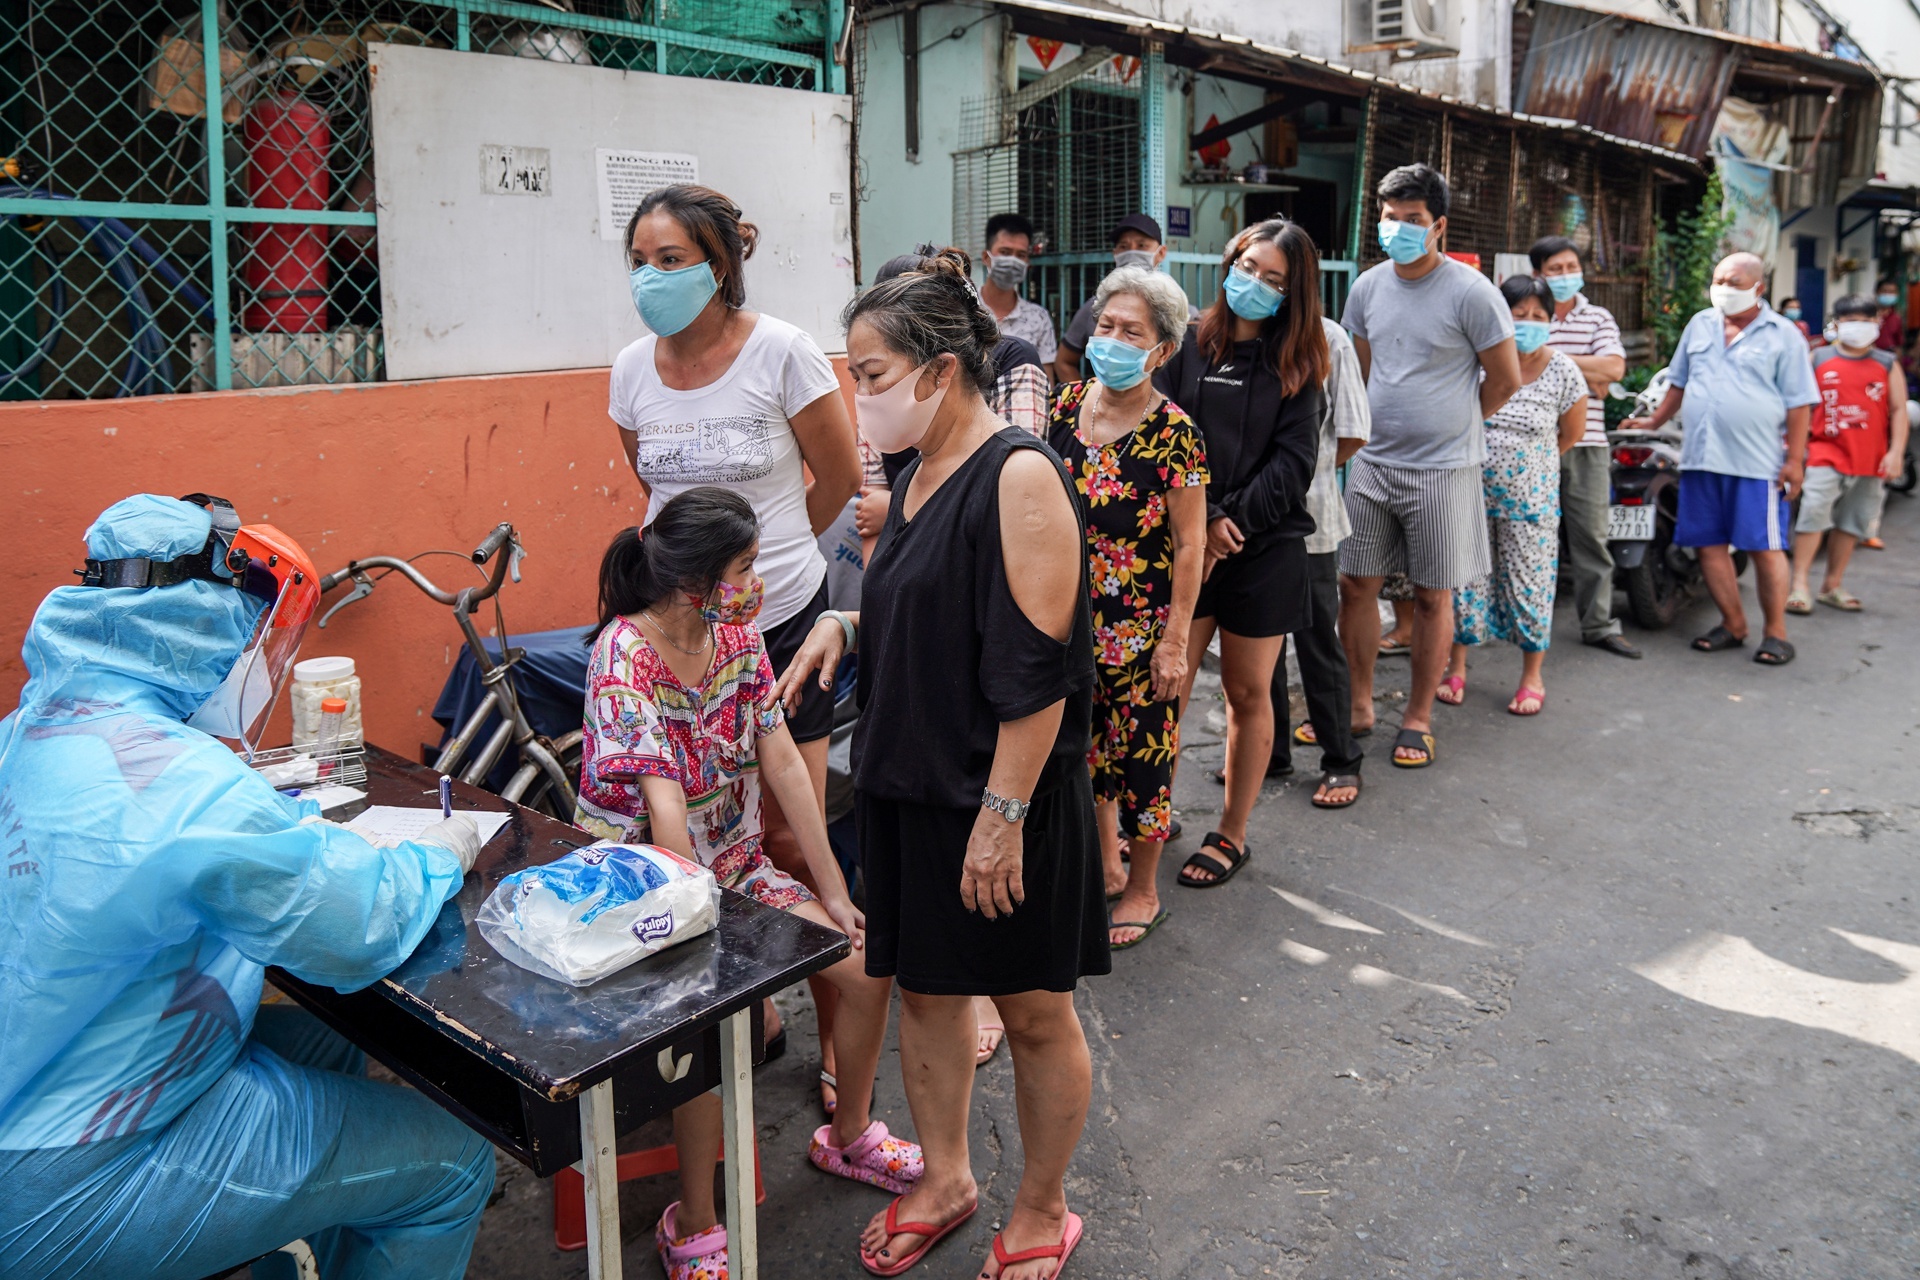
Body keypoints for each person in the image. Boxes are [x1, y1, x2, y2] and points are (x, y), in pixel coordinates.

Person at [0, 494, 493, 1280]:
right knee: (457, 1161)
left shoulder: (27, 730)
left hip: (55, 1083)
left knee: (336, 1036)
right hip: (78, 1171)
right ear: (204, 623)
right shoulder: (183, 781)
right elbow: (357, 923)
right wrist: (443, 849)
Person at [773, 255, 1106, 1278]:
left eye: (870, 375)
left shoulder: (1019, 473)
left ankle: (1043, 1207)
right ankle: (947, 1176)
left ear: (941, 368)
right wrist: (850, 619)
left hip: (997, 797)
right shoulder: (920, 473)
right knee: (925, 991)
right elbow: (944, 608)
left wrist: (1002, 816)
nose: (858, 397)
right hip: (911, 787)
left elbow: (1037, 671)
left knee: (1032, 1007)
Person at [574, 490, 918, 1280]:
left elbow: (785, 765)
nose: (756, 581)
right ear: (696, 579)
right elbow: (663, 815)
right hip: (642, 893)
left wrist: (833, 892)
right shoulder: (623, 656)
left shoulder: (737, 637)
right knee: (706, 1028)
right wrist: (707, 944)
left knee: (864, 967)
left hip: (731, 868)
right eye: (745, 567)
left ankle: (850, 1135)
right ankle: (691, 1222)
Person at [611, 182, 862, 1110]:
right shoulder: (631, 368)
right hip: (679, 638)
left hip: (781, 618)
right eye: (639, 259)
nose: (650, 276)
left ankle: (838, 1045)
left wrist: (760, 570)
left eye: (670, 260)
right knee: (701, 829)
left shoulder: (784, 353)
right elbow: (646, 488)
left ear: (719, 264)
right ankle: (751, 1010)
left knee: (792, 834)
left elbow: (832, 479)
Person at [1156, 217, 1327, 886]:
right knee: (1165, 686)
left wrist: (1237, 522)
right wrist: (1208, 518)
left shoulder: (1300, 363)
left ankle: (1231, 832)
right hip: (1188, 542)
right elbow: (1163, 426)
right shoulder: (1191, 343)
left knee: (1248, 692)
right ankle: (1151, 811)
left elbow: (1296, 462)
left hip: (1262, 548)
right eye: (1248, 267)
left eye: (1273, 278)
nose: (1254, 283)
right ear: (1231, 263)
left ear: (1293, 294)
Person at [1338, 163, 1522, 768]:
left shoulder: (1472, 293)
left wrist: (1455, 422)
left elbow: (1505, 377)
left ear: (1438, 225)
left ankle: (1417, 717)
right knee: (1356, 585)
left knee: (1433, 596)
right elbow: (1357, 374)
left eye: (1412, 220)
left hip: (1443, 470)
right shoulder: (1366, 287)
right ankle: (1358, 704)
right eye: (1390, 219)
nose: (1398, 229)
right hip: (1372, 463)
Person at [1047, 265, 1208, 949]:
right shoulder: (1064, 407)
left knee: (1142, 758)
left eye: (1130, 332)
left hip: (1140, 632)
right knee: (1080, 752)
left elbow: (1192, 544)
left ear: (1162, 351)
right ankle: (1105, 861)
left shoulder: (1176, 434)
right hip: (1066, 623)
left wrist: (1174, 642)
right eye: (1105, 325)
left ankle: (1143, 887)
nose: (1110, 339)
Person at [1623, 251, 1817, 666]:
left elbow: (1800, 404)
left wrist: (1795, 460)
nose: (1723, 289)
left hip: (1757, 464)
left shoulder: (1783, 336)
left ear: (1758, 288)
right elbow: (1677, 381)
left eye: (1733, 282)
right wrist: (1652, 421)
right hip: (1700, 459)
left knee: (1765, 548)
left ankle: (1777, 634)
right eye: (1718, 280)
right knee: (1709, 547)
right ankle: (1733, 624)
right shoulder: (1700, 324)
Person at [1438, 277, 1588, 714]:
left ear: (1551, 320)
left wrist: (1528, 467)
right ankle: (1457, 668)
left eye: (1538, 316)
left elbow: (1571, 433)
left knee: (1531, 586)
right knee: (1465, 584)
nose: (1528, 323)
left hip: (1532, 503)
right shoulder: (1480, 361)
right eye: (1518, 315)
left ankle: (1531, 677)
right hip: (1469, 495)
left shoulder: (1563, 371)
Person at [1268, 312, 1372, 807]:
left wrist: (1294, 473)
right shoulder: (1228, 332)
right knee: (1256, 649)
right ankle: (1269, 752)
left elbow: (1351, 432)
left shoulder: (1329, 339)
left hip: (1310, 519)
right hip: (1246, 522)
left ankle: (1340, 759)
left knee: (1316, 642)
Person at [1532, 235, 1639, 659]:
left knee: (1591, 538)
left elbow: (1612, 369)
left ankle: (1598, 626)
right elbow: (1513, 362)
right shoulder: (1527, 314)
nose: (1564, 276)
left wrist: (1546, 358)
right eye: (1554, 269)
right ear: (1538, 273)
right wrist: (1586, 375)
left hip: (1588, 444)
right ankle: (1518, 623)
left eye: (1570, 267)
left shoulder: (1597, 318)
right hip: (1532, 443)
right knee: (1525, 537)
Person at [1786, 294, 1910, 613]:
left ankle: (1832, 585)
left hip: (1870, 458)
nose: (1860, 327)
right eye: (1852, 321)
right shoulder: (1818, 358)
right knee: (1813, 516)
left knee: (1851, 524)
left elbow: (1898, 411)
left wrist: (1896, 452)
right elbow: (1799, 407)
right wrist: (1794, 452)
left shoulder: (1886, 363)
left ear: (1877, 324)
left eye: (1867, 321)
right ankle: (1799, 584)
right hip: (1824, 453)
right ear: (1838, 324)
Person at [1054, 213, 1181, 385]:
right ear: (1115, 253)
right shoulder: (1095, 306)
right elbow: (1064, 361)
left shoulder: (1178, 311)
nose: (1132, 252)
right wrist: (1082, 398)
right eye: (1124, 246)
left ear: (1161, 252)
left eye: (1142, 245)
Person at [980, 212, 1058, 365]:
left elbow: (1045, 380)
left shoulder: (1039, 318)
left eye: (1020, 255)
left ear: (1027, 263)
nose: (1012, 261)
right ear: (986, 257)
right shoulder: (962, 307)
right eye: (1005, 252)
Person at [1875, 278, 1905, 353]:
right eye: (1884, 291)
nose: (1888, 294)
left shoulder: (1897, 318)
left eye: (1892, 292)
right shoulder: (1868, 314)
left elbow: (1898, 344)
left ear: (1897, 294)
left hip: (1889, 356)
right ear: (1877, 292)